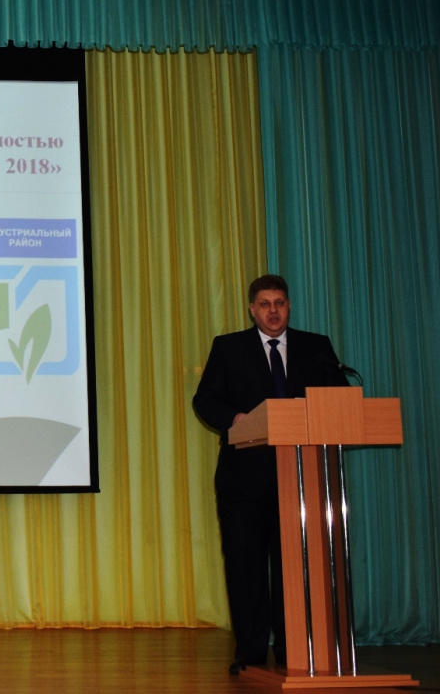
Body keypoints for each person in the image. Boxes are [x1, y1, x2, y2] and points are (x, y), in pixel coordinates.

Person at [192, 274, 349, 674]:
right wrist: (236, 419)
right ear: (252, 309)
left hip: (301, 479)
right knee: (245, 568)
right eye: (265, 304)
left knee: (295, 569)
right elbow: (205, 399)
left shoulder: (316, 348)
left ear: (289, 306)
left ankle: (294, 648)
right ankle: (250, 652)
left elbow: (338, 398)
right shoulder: (229, 348)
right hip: (244, 481)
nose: (273, 311)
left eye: (279, 303)